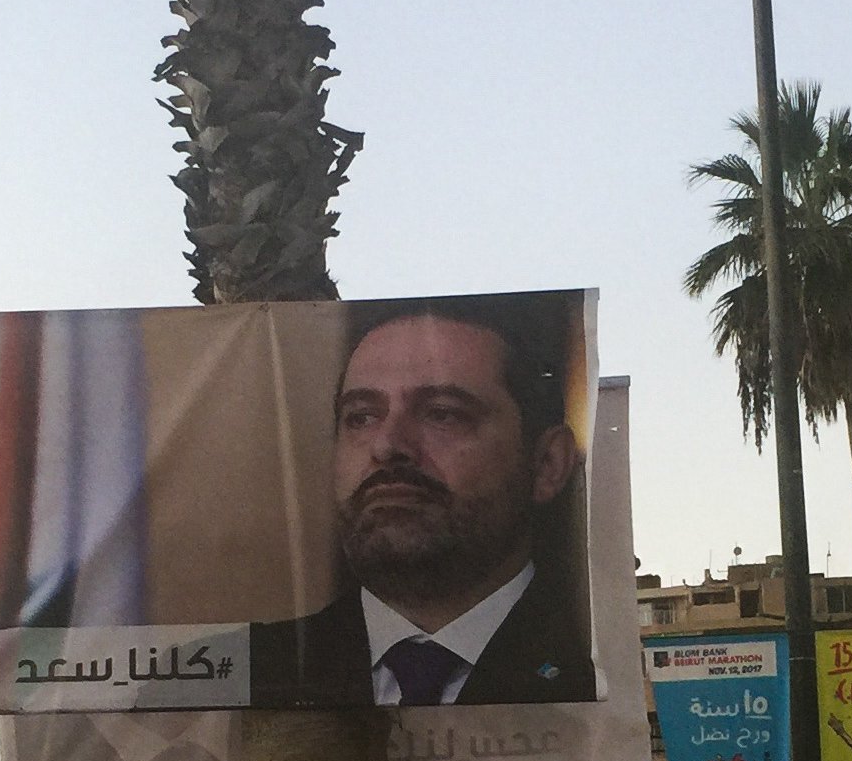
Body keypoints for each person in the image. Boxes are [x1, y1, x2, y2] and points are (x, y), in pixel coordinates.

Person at [248, 295, 597, 707]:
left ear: (547, 464)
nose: (387, 445)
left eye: (443, 413)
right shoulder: (248, 674)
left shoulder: (598, 673)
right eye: (361, 416)